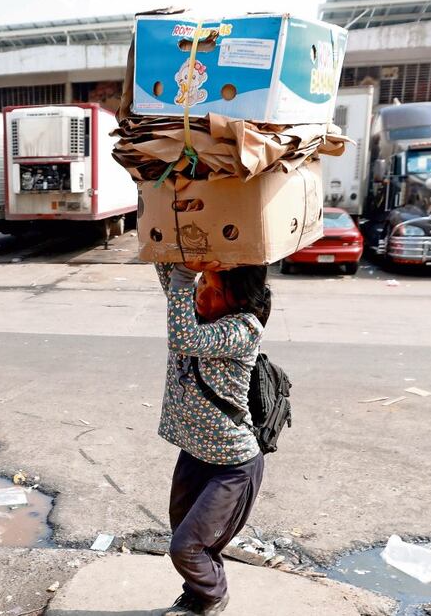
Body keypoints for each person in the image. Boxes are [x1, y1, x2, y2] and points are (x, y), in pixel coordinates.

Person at [155, 261, 272, 616]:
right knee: (186, 535)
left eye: (214, 290)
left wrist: (183, 276)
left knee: (186, 546)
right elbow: (168, 269)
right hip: (195, 454)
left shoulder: (243, 329)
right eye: (202, 282)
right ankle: (195, 593)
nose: (201, 293)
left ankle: (212, 597)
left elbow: (184, 338)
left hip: (233, 465)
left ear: (237, 298)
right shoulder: (195, 311)